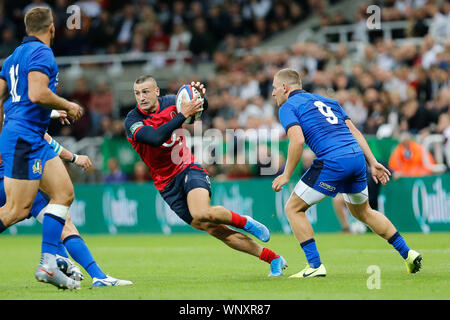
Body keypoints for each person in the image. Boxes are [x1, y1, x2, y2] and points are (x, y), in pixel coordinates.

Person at [124, 75, 286, 277]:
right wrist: (183, 114)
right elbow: (155, 138)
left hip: (186, 166)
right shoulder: (133, 120)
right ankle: (274, 259)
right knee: (217, 230)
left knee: (201, 212)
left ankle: (245, 222)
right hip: (165, 185)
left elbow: (201, 109)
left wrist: (200, 97)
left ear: (157, 92)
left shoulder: (172, 101)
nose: (141, 97)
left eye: (146, 92)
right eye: (137, 93)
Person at [271, 68, 422, 278]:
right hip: (356, 158)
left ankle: (314, 266)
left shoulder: (288, 106)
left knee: (293, 209)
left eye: (275, 88)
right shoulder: (330, 101)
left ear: (285, 88)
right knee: (364, 212)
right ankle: (408, 253)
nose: (273, 93)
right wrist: (373, 162)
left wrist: (286, 174)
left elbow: (297, 140)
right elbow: (354, 132)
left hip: (333, 160)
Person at [0, 7, 83, 290]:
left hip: (30, 135)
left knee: (63, 193)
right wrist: (68, 105)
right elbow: (37, 93)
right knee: (16, 210)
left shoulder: (13, 57)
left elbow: (4, 95)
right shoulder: (42, 53)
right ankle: (48, 262)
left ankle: (48, 262)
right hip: (25, 137)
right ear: (51, 29)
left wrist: (7, 125)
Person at [0, 128, 133, 287]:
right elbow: (45, 137)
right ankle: (92, 274)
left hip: (8, 179)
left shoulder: (11, 111)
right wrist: (75, 158)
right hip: (13, 178)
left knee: (57, 220)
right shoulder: (20, 114)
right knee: (63, 219)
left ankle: (65, 259)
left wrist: (55, 112)